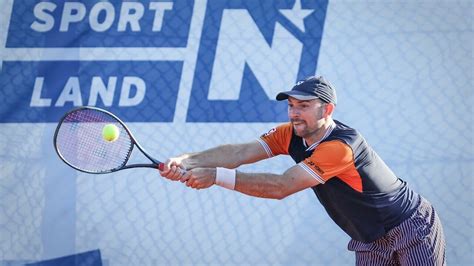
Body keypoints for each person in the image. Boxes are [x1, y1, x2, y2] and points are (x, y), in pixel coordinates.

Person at [159, 76, 446, 265]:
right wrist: (187, 161)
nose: (294, 113)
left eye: (304, 106)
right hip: (368, 236)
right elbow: (240, 152)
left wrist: (215, 176)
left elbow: (282, 186)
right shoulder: (290, 133)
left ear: (327, 110)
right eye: (292, 105)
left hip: (410, 226)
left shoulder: (341, 147)